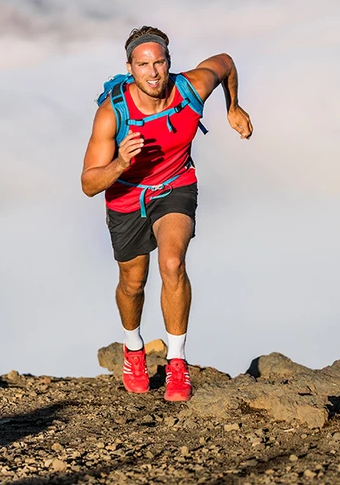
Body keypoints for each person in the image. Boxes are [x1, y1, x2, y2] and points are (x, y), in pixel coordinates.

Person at [81, 26, 253, 401]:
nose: (153, 72)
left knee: (172, 263)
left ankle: (177, 362)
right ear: (130, 68)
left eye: (159, 62)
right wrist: (120, 163)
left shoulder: (191, 88)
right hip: (126, 197)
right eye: (144, 65)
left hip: (176, 186)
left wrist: (233, 106)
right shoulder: (113, 113)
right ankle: (133, 347)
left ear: (169, 63)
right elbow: (90, 183)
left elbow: (225, 63)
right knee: (133, 283)